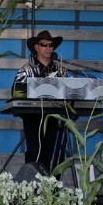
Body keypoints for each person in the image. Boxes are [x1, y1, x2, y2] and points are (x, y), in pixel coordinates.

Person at [11, 30, 69, 173]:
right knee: (34, 150)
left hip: (54, 115)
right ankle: (31, 186)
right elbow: (16, 92)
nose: (48, 48)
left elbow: (68, 93)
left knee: (50, 151)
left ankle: (49, 186)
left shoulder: (60, 69)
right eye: (44, 45)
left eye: (51, 45)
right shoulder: (26, 69)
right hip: (33, 115)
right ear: (36, 47)